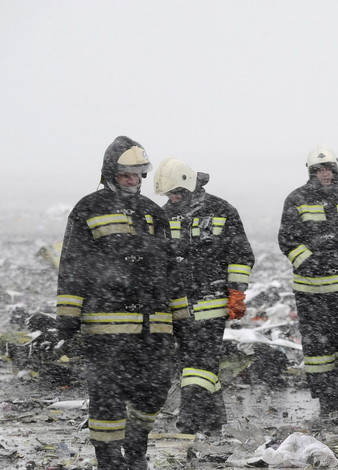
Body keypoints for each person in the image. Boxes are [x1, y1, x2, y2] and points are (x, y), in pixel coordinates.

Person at [55, 136, 190, 470]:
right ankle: (110, 459)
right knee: (108, 396)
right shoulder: (89, 208)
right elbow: (73, 264)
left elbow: (171, 268)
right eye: (125, 175)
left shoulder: (153, 212)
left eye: (138, 174)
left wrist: (182, 317)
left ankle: (136, 442)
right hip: (106, 323)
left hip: (154, 322)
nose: (133, 181)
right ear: (110, 173)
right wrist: (67, 317)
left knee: (155, 390)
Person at [153, 157, 255, 435]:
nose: (173, 198)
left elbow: (240, 256)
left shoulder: (222, 210)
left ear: (189, 185)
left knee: (199, 362)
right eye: (169, 194)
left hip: (211, 300)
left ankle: (189, 420)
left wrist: (236, 292)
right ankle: (213, 419)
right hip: (178, 304)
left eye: (176, 192)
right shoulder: (164, 215)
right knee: (198, 362)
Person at [278, 145, 338, 417]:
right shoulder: (296, 199)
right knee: (319, 347)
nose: (325, 174)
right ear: (311, 172)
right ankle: (328, 399)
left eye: (329, 169)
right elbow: (287, 239)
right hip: (312, 291)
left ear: (336, 170)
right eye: (319, 170)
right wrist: (312, 263)